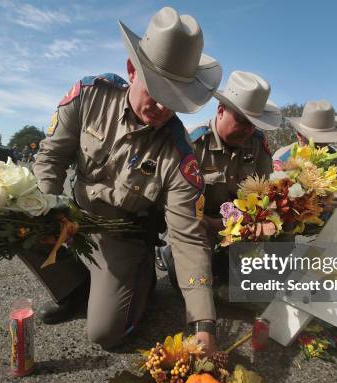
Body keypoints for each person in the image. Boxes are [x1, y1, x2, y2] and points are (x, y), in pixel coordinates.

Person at [22, 7, 222, 352]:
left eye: (174, 99)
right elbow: (51, 158)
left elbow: (187, 238)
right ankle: (75, 290)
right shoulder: (89, 96)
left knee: (105, 334)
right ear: (132, 70)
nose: (161, 106)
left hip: (123, 236)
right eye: (156, 90)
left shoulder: (180, 154)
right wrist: (44, 211)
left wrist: (203, 323)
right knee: (20, 221)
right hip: (75, 217)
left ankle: (140, 276)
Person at [159, 71, 281, 287]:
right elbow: (179, 207)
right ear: (220, 110)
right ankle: (168, 251)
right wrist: (216, 225)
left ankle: (225, 265)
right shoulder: (193, 142)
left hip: (239, 222)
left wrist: (254, 223)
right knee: (189, 280)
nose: (248, 130)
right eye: (242, 121)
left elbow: (265, 194)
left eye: (254, 123)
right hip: (198, 223)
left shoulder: (257, 144)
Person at [272, 100, 337, 168]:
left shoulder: (335, 160)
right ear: (299, 135)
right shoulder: (282, 159)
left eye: (324, 140)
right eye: (314, 142)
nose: (319, 148)